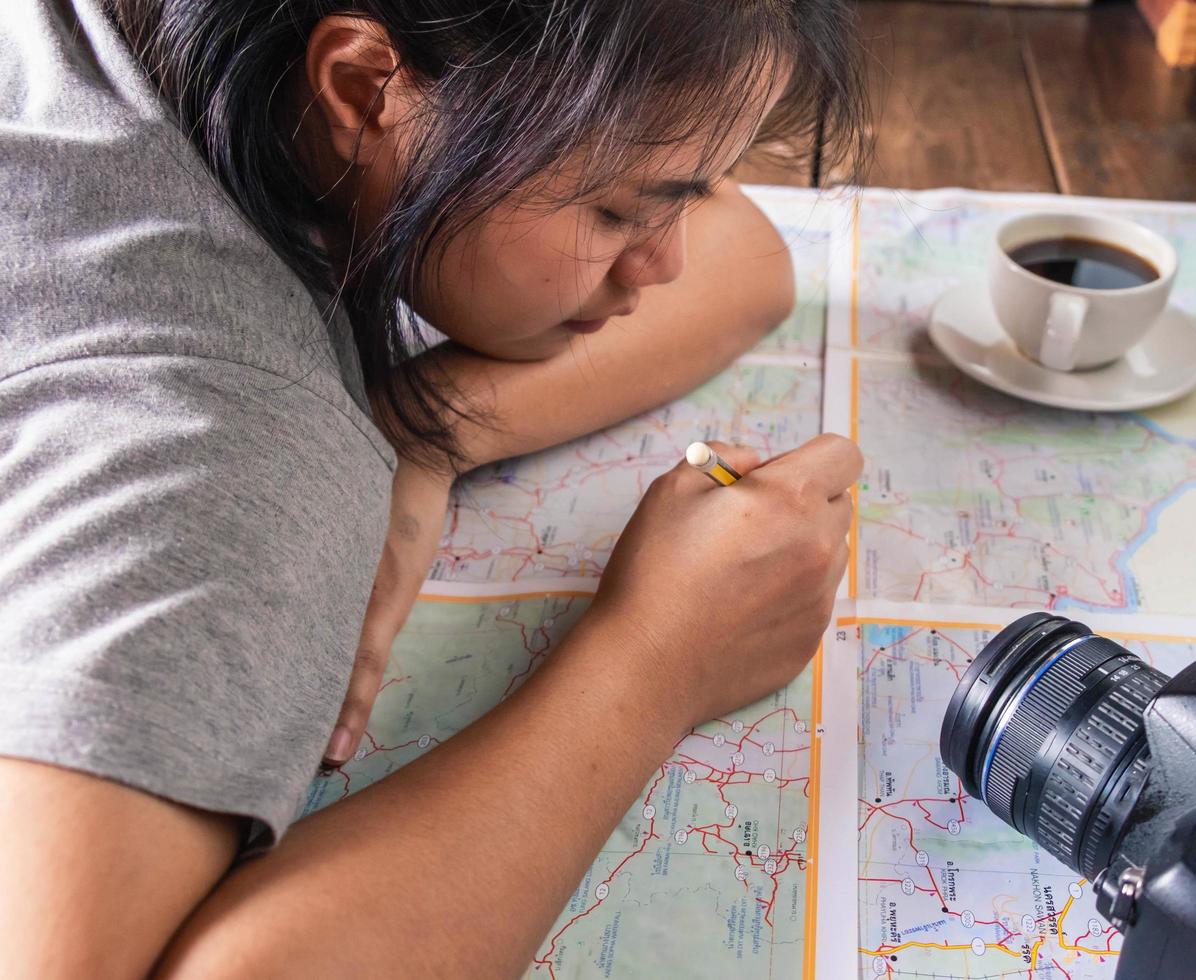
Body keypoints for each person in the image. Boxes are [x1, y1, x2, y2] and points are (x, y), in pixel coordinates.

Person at [0, 0, 866, 974]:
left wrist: (423, 427)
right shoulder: (228, 459)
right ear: (367, 88)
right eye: (617, 210)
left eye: (677, 195)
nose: (662, 257)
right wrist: (652, 664)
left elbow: (741, 255)